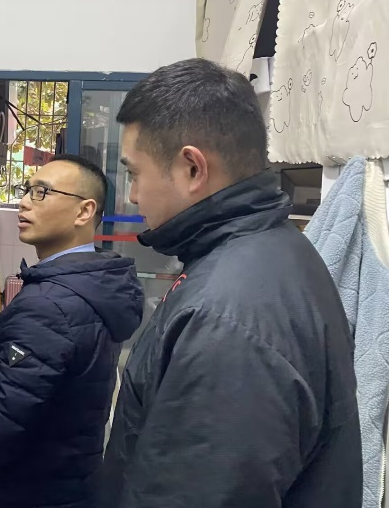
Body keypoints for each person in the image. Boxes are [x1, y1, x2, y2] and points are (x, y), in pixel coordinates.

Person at [101, 58, 362, 507]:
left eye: (134, 173)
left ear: (192, 168)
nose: (133, 195)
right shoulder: (276, 250)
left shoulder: (226, 317)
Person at [0, 154, 144, 508]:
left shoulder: (48, 305)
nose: (25, 202)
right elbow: (57, 386)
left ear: (84, 211)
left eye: (42, 192)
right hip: (70, 479)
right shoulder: (95, 285)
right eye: (26, 190)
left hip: (31, 492)